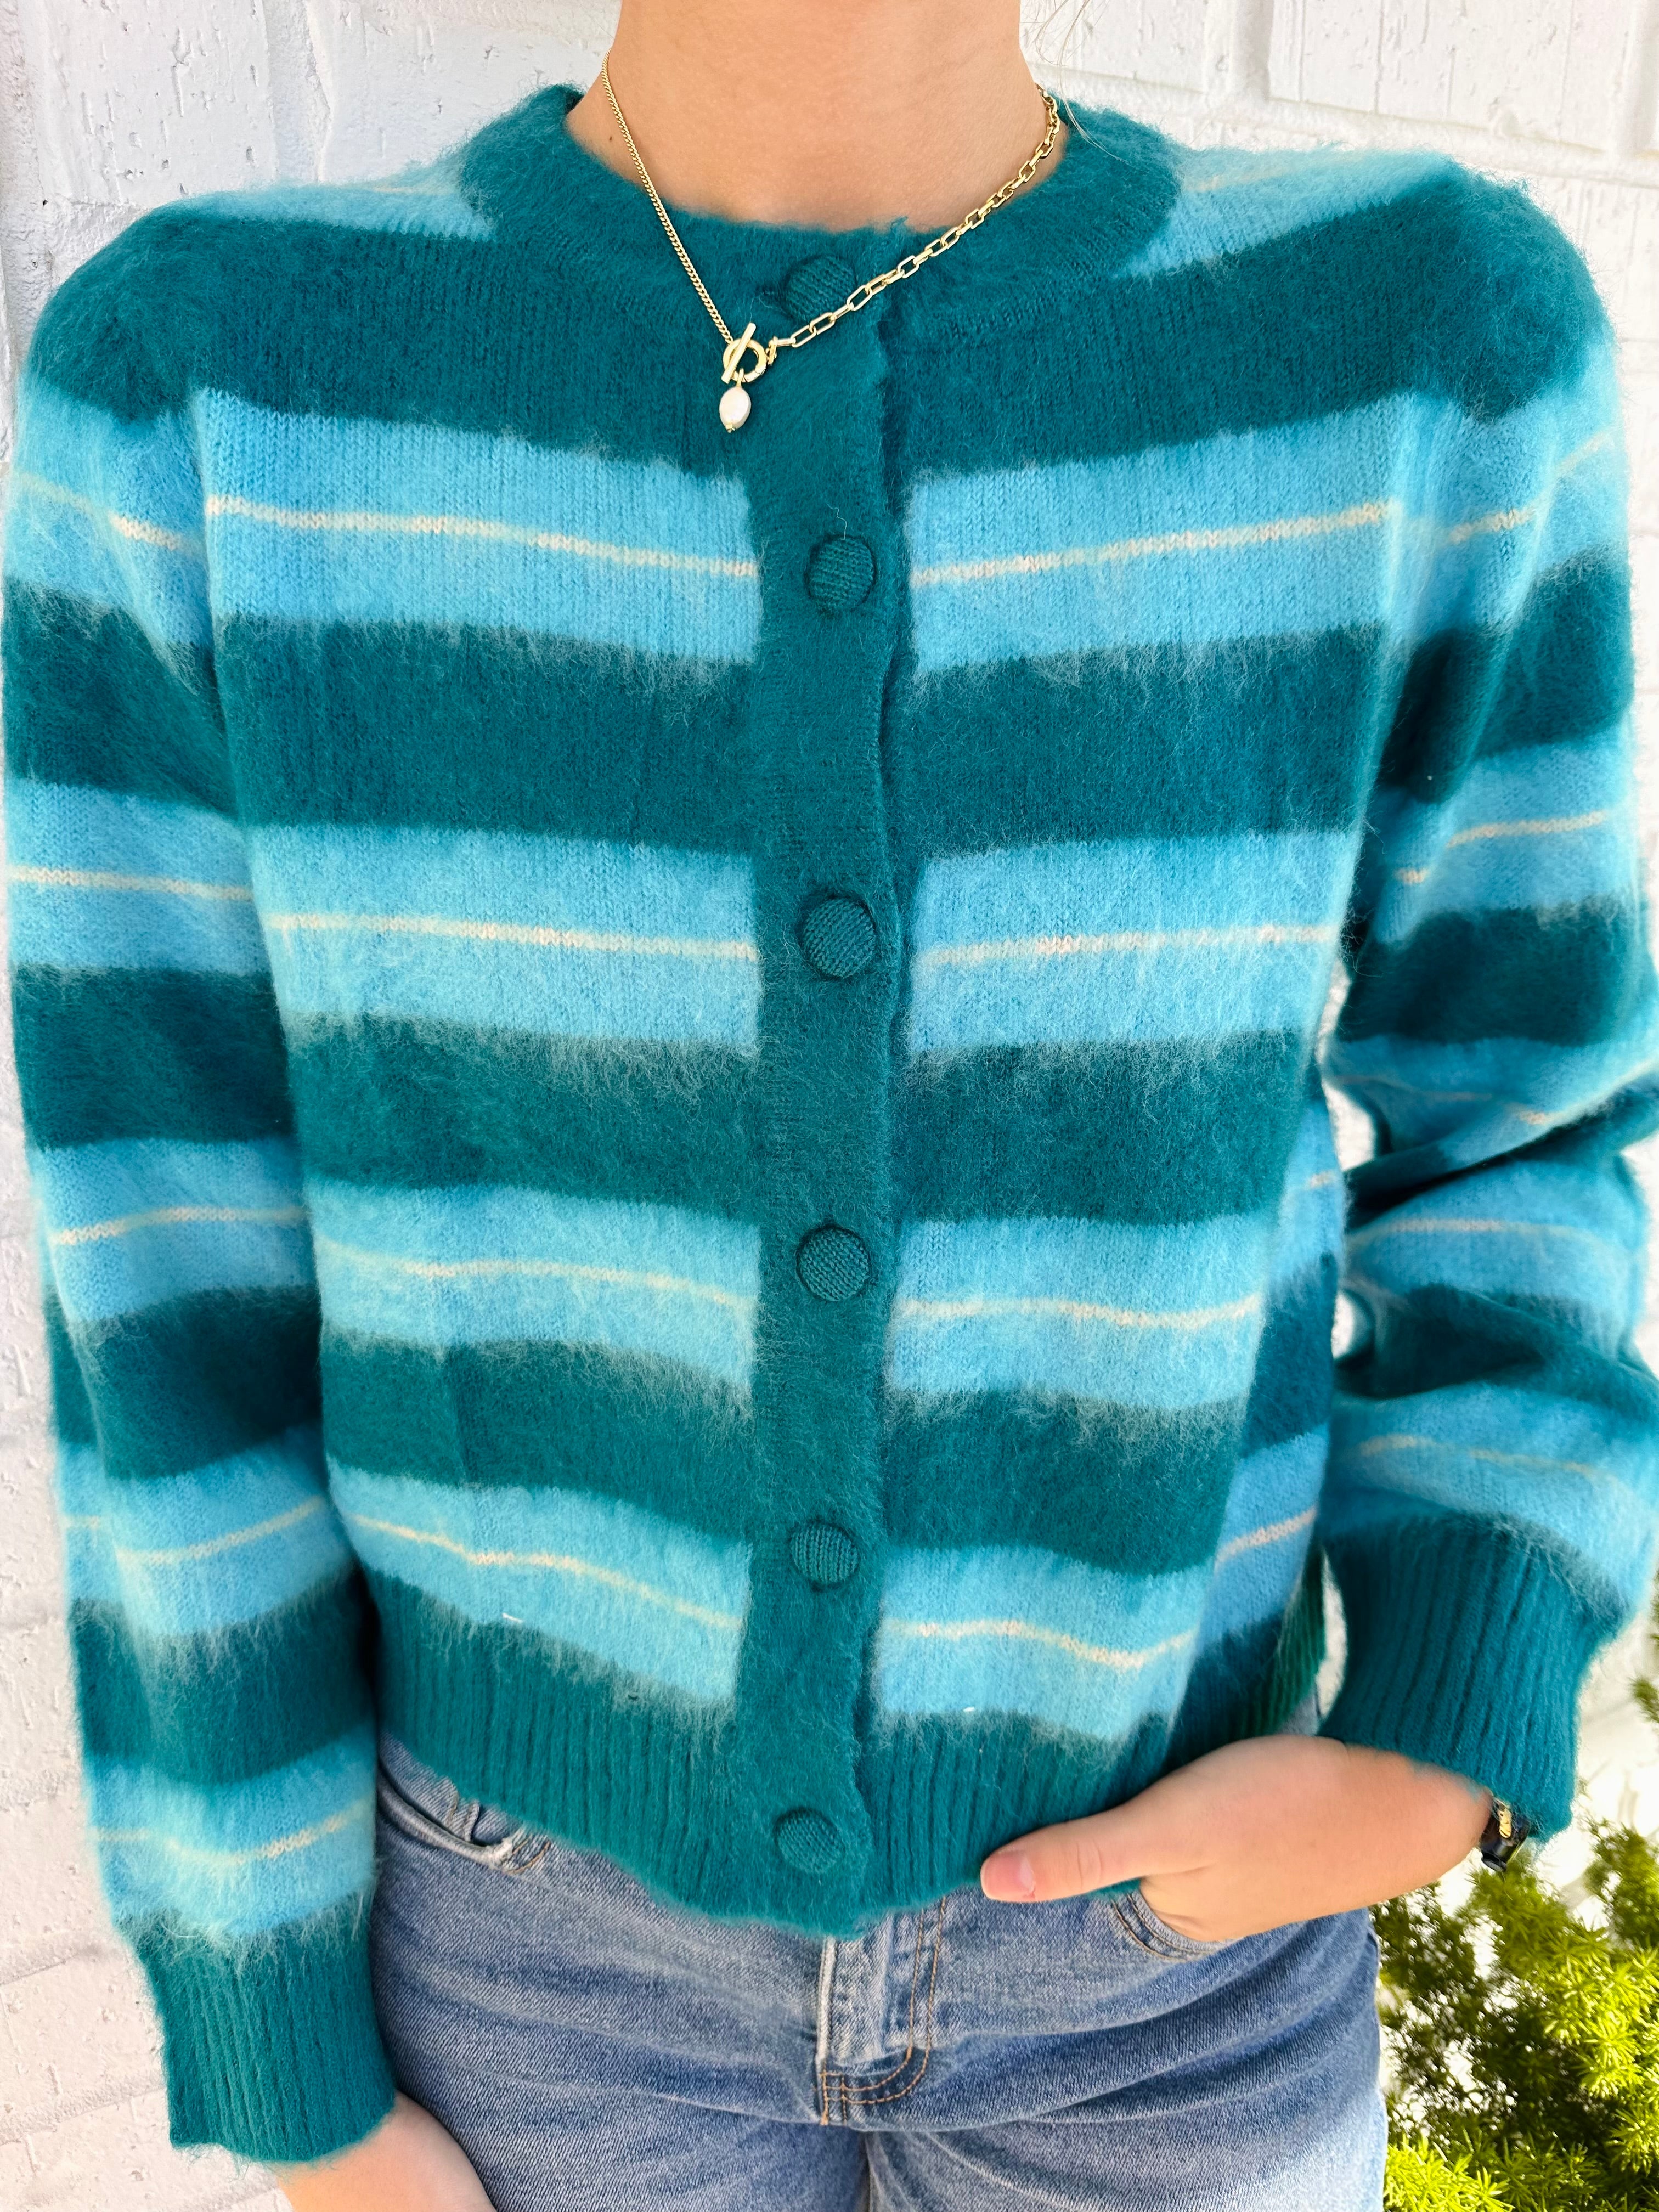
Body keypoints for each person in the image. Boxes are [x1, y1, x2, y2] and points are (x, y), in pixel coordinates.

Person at [5, 1, 1655, 2205]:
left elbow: (1527, 1103)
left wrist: (1444, 1722)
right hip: (523, 1976)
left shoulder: (1413, 343)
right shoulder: (211, 386)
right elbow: (167, 1274)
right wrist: (278, 2040)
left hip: (1177, 1972)